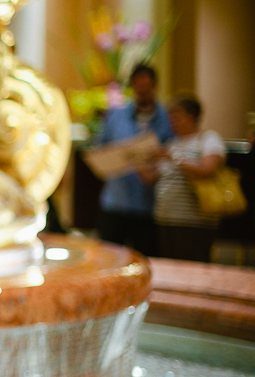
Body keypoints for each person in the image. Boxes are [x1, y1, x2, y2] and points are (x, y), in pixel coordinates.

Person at [94, 63, 173, 256]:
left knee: (145, 258)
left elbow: (173, 151)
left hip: (148, 203)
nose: (143, 91)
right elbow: (100, 146)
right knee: (108, 256)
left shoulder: (166, 118)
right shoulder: (117, 116)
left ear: (155, 86)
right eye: (139, 86)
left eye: (147, 87)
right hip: (116, 199)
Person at [150, 94, 226, 262]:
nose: (172, 121)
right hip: (166, 218)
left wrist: (174, 158)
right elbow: (153, 178)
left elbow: (208, 170)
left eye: (177, 116)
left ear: (191, 115)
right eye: (171, 117)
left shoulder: (208, 139)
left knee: (194, 269)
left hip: (194, 221)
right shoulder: (173, 143)